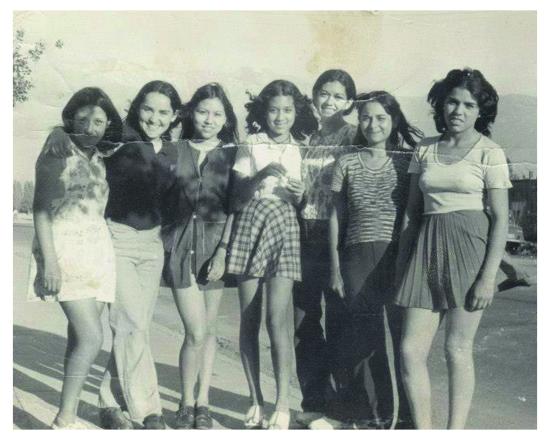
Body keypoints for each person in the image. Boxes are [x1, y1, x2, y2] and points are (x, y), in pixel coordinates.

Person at [393, 68, 511, 429]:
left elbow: (501, 218)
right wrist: (401, 265)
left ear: (480, 111)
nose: (458, 110)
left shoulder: (490, 152)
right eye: (452, 101)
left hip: (470, 250)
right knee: (411, 350)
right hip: (426, 247)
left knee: (457, 349)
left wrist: (488, 277)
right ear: (441, 105)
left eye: (469, 104)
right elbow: (412, 213)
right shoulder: (425, 148)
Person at [28, 87, 122, 429]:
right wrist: (49, 263)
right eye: (82, 120)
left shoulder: (98, 157)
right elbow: (40, 211)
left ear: (107, 123)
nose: (90, 127)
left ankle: (66, 414)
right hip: (65, 249)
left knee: (79, 337)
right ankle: (65, 419)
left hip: (97, 252)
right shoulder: (57, 151)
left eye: (99, 121)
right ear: (70, 120)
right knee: (93, 337)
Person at [327, 91, 422, 429]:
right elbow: (336, 216)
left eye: (381, 117)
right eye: (366, 117)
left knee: (403, 339)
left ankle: (409, 417)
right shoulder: (346, 162)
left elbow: (414, 213)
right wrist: (336, 268)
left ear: (393, 120)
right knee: (365, 342)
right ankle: (375, 417)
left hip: (396, 257)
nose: (373, 124)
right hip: (355, 258)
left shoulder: (407, 160)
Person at [227, 79, 317, 429]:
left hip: (284, 227)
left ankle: (282, 402)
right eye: (274, 109)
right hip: (251, 222)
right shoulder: (251, 144)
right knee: (249, 318)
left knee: (278, 321)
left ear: (297, 113)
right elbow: (236, 198)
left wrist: (300, 194)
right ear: (263, 112)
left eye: (288, 110)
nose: (280, 117)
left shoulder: (300, 149)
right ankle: (256, 400)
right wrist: (261, 173)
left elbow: (301, 201)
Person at [97, 80, 182, 429]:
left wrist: (166, 236)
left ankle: (107, 401)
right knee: (129, 324)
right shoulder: (120, 138)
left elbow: (176, 203)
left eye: (164, 112)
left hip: (152, 245)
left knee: (135, 327)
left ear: (175, 116)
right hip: (117, 238)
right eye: (148, 108)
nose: (155, 117)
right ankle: (147, 410)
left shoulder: (173, 152)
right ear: (137, 108)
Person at [162, 83, 239, 429]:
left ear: (226, 119)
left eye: (217, 114)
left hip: (215, 249)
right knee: (195, 331)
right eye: (203, 111)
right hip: (178, 247)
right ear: (191, 113)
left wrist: (224, 251)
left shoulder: (233, 153)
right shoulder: (172, 149)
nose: (209, 120)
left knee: (207, 332)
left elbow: (235, 207)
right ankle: (184, 401)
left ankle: (202, 403)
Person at [293, 69, 356, 426]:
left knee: (339, 322)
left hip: (336, 237)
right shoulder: (309, 137)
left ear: (348, 102)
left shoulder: (352, 135)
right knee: (304, 320)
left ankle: (343, 408)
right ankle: (315, 401)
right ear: (314, 95)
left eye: (337, 96)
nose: (329, 101)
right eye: (324, 93)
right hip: (303, 232)